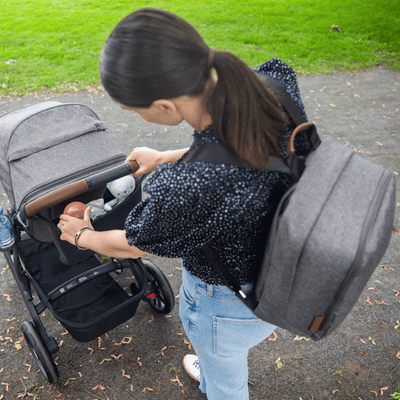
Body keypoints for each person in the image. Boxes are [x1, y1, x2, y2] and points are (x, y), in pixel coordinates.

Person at [59, 8, 311, 399]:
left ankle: (220, 376)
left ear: (164, 106)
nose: (136, 115)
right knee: (223, 360)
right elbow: (242, 146)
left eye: (134, 109)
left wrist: (82, 236)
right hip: (286, 267)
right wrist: (164, 156)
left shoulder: (186, 187)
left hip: (230, 303)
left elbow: (133, 243)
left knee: (225, 376)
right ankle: (217, 367)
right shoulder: (272, 82)